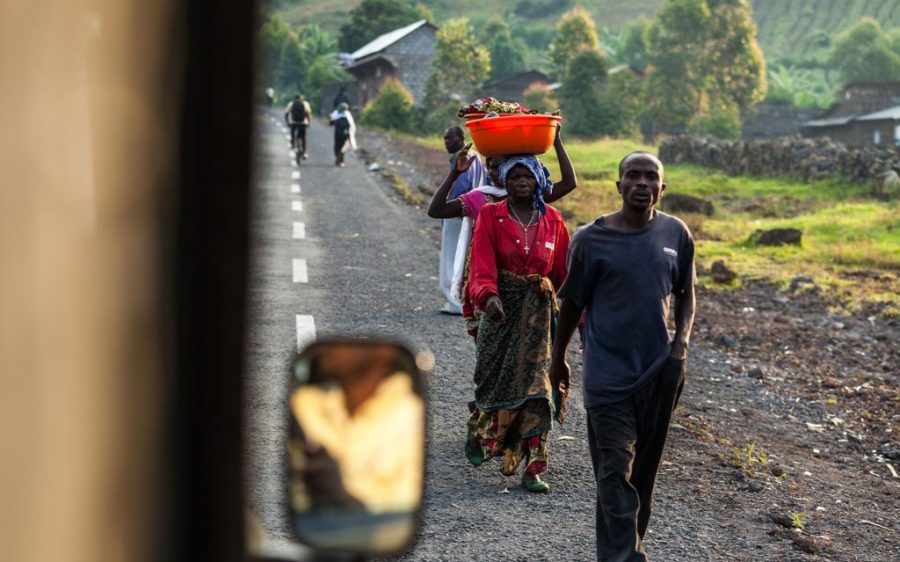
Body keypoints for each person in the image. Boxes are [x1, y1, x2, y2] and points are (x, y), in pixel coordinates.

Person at [549, 152, 696, 560]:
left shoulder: (677, 234)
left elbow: (686, 294)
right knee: (614, 475)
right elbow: (572, 303)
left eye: (651, 177)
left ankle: (616, 554)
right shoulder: (590, 240)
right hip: (607, 377)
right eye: (633, 175)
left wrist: (679, 346)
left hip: (660, 371)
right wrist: (557, 357)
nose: (642, 183)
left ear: (662, 188)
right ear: (619, 185)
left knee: (641, 479)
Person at [465, 154, 571, 493]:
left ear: (539, 180)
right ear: (505, 183)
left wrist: (574, 319)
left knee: (538, 390)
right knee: (492, 378)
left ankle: (534, 465)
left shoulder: (553, 219)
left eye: (527, 176)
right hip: (501, 310)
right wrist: (488, 296)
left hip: (540, 315)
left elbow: (564, 277)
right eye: (513, 177)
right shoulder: (490, 215)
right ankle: (484, 431)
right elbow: (480, 265)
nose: (520, 183)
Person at [427, 125, 577, 334]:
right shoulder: (481, 197)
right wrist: (455, 173)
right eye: (491, 166)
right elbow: (436, 210)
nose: (495, 172)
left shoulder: (533, 199)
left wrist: (556, 141)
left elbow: (569, 183)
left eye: (500, 166)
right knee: (490, 341)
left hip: (529, 287)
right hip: (484, 278)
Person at [436, 126, 486, 314]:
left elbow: (461, 187)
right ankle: (466, 300)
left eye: (450, 138)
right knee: (466, 258)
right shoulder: (476, 156)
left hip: (458, 212)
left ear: (461, 138)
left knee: (451, 258)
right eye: (445, 138)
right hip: (473, 212)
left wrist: (450, 208)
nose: (447, 142)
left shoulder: (461, 158)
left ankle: (454, 302)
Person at [329, 102, 357, 167]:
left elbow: (331, 122)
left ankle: (338, 157)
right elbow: (352, 124)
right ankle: (341, 159)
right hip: (346, 133)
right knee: (344, 145)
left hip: (337, 133)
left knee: (337, 145)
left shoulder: (336, 113)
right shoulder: (348, 114)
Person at [284, 94, 312, 159]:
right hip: (303, 123)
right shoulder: (305, 104)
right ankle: (304, 152)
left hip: (293, 122)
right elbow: (308, 114)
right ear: (301, 99)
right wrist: (309, 123)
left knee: (292, 133)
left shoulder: (291, 104)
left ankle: (293, 143)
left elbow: (286, 113)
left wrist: (287, 121)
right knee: (303, 138)